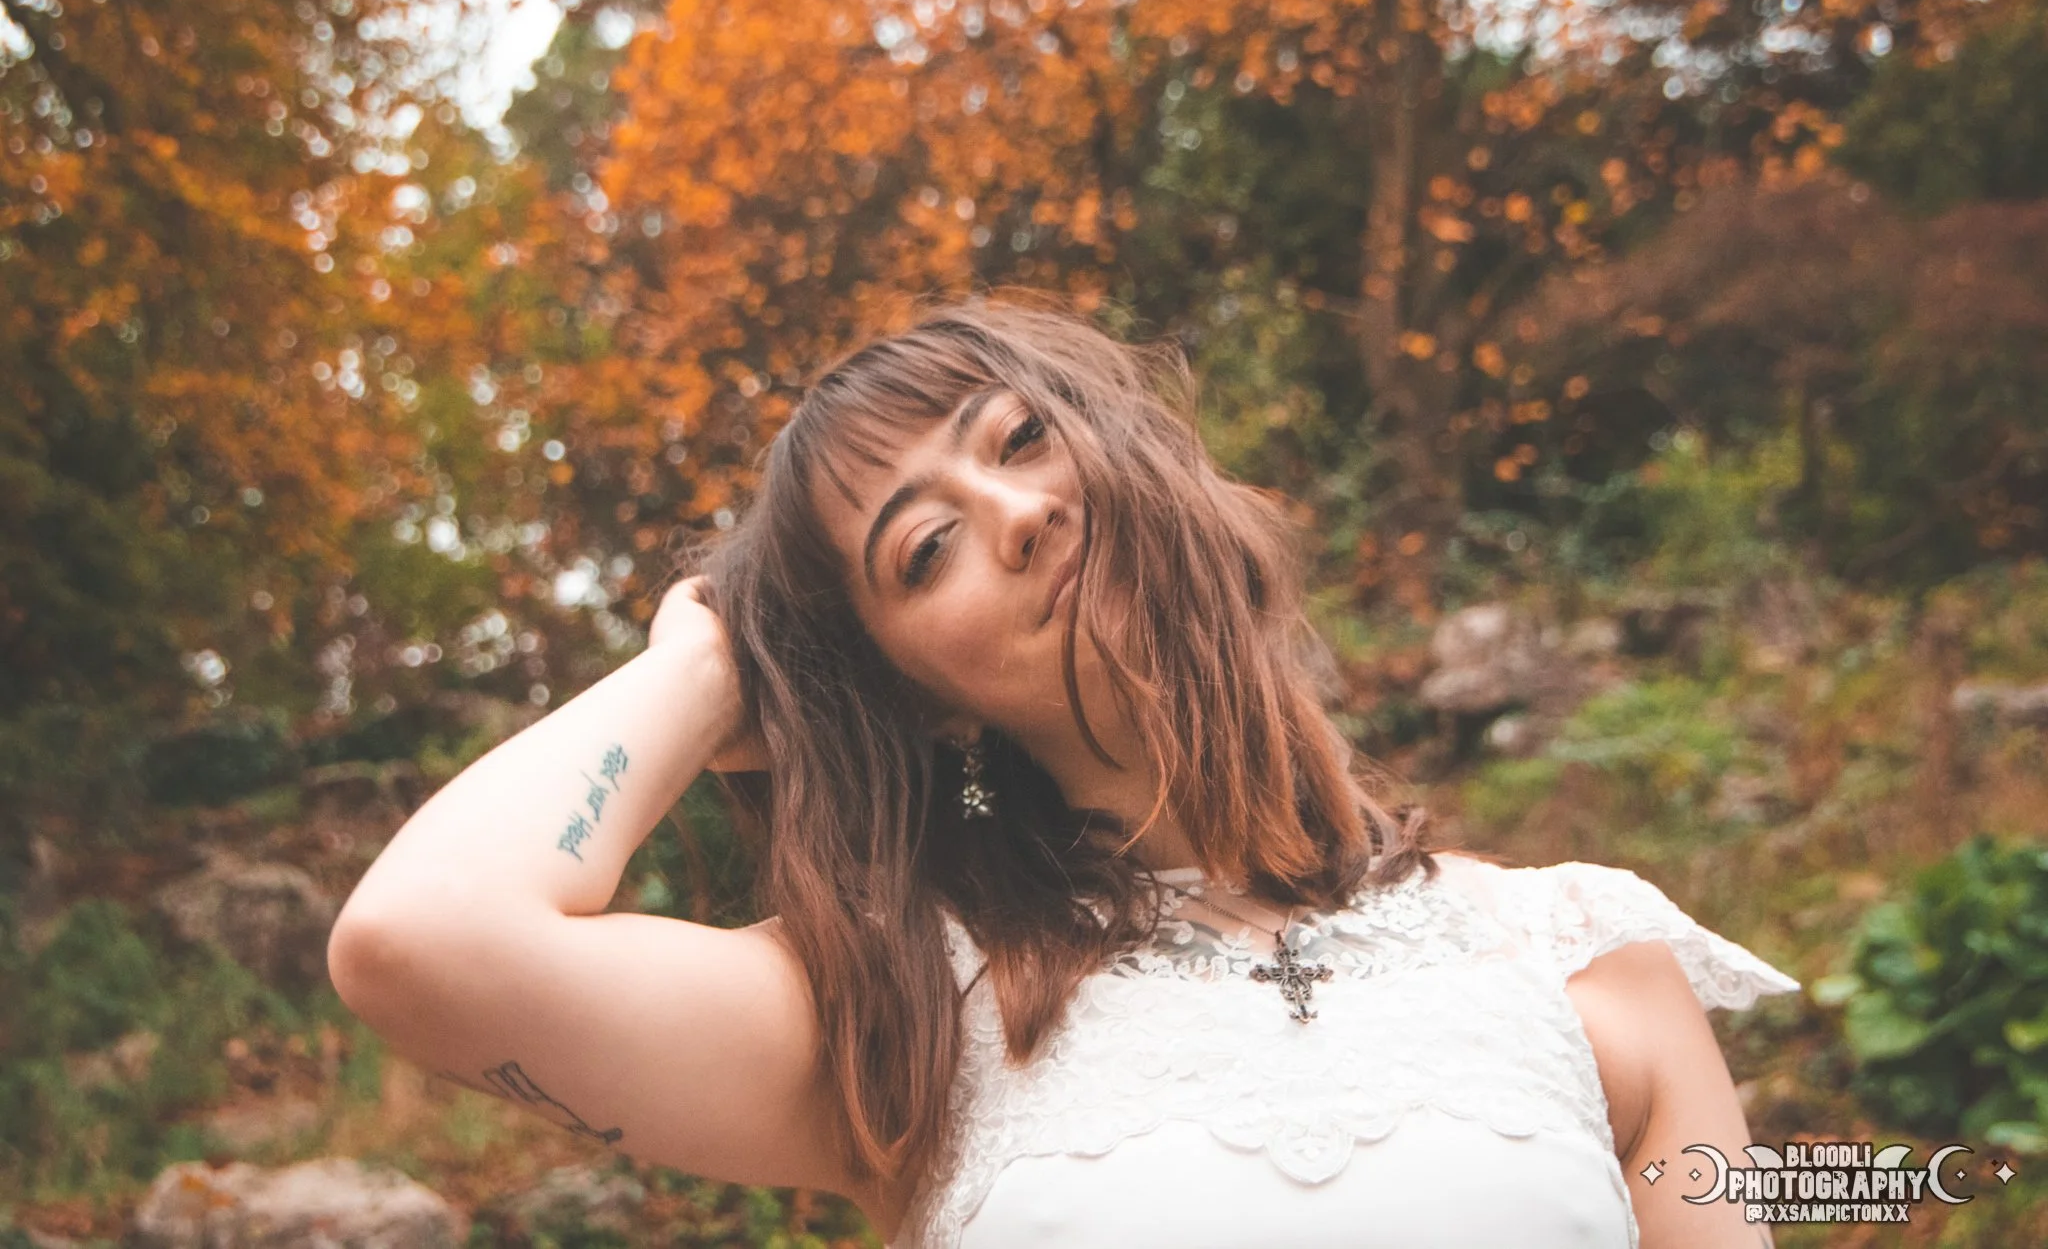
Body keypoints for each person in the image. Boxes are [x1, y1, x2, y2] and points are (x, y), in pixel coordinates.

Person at [328, 291, 1801, 1248]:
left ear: (1132, 451)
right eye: (925, 547)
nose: (1017, 511)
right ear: (929, 703)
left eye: (1024, 438)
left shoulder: (1588, 962)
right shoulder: (902, 1012)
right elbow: (424, 945)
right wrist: (711, 654)